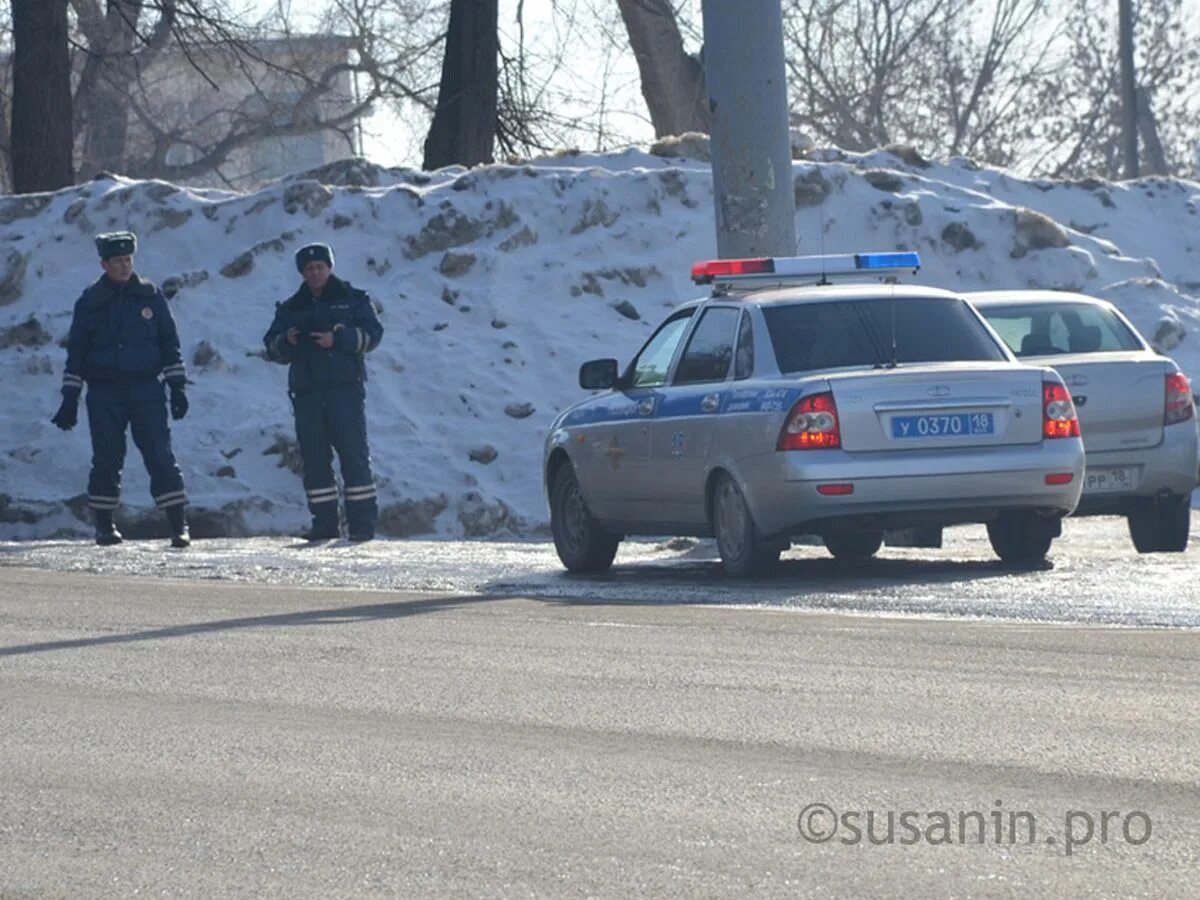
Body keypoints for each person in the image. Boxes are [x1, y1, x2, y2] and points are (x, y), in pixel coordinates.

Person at [51, 232, 191, 547]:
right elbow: (77, 352)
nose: (124, 265)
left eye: (128, 259)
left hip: (146, 389)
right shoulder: (90, 302)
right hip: (105, 392)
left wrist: (177, 387)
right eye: (117, 261)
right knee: (107, 457)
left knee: (159, 454)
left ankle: (179, 525)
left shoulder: (151, 297)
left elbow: (170, 344)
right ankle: (104, 525)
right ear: (104, 264)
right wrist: (70, 398)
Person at [263, 243, 384, 541]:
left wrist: (339, 339)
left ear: (329, 267)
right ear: (302, 273)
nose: (315, 273)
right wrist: (287, 341)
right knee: (315, 462)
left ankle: (362, 528)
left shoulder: (353, 300)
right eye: (309, 269)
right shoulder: (292, 308)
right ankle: (324, 526)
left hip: (345, 392)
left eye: (320, 267)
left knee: (354, 458)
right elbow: (271, 346)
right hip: (307, 395)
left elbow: (374, 335)